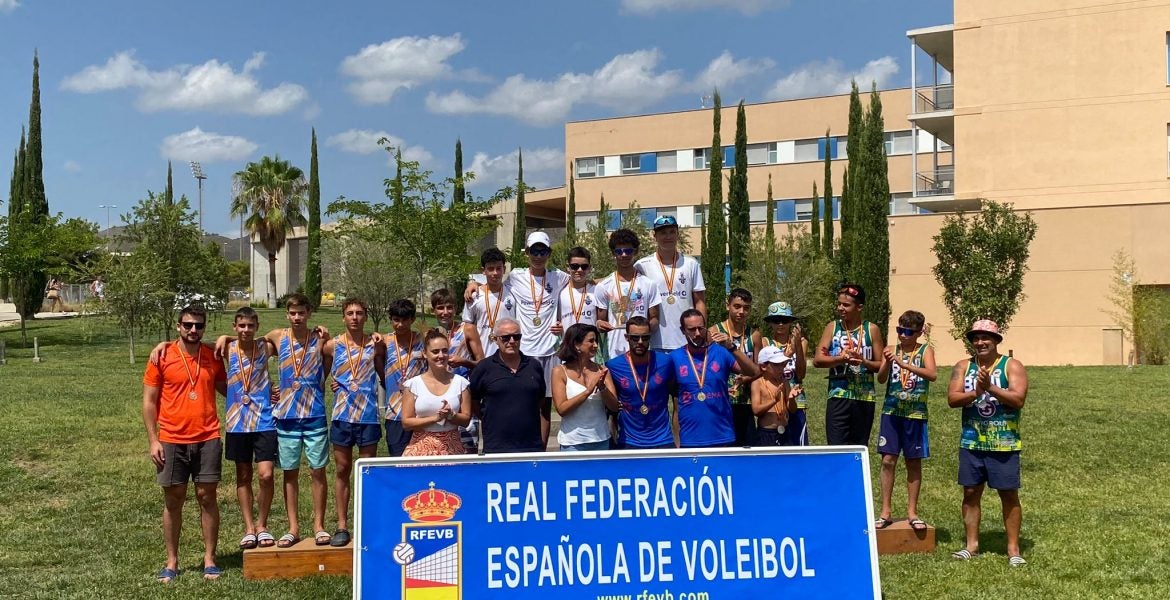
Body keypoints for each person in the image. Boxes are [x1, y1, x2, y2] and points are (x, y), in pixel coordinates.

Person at [142, 304, 227, 582]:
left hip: (207, 437)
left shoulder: (212, 356)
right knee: (173, 499)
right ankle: (172, 562)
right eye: (188, 325)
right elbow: (149, 401)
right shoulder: (162, 355)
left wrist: (261, 394)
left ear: (204, 328)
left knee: (207, 497)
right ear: (178, 326)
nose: (193, 330)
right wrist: (153, 440)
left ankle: (210, 559)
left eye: (199, 326)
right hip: (171, 439)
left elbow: (229, 389)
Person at [465, 232, 568, 447]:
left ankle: (538, 452)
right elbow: (491, 278)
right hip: (519, 352)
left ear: (549, 253)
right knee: (504, 402)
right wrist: (472, 282)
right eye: (534, 251)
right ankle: (498, 447)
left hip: (548, 350)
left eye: (543, 251)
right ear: (526, 253)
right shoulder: (515, 277)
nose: (538, 256)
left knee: (543, 406)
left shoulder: (558, 277)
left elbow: (584, 279)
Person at [947, 319, 1029, 567]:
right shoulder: (963, 366)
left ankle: (1013, 549)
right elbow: (952, 399)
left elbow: (1018, 399)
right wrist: (976, 392)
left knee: (1008, 494)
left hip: (1004, 442)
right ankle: (971, 546)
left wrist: (990, 387)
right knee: (970, 493)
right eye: (976, 338)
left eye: (986, 338)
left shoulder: (1011, 365)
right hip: (971, 442)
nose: (980, 342)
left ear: (996, 341)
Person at [324, 299, 385, 548]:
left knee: (367, 471)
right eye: (350, 313)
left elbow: (384, 373)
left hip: (368, 416)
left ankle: (368, 524)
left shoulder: (376, 344)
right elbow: (319, 373)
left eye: (359, 313)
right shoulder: (332, 346)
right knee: (342, 469)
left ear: (366, 317)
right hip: (342, 416)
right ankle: (341, 525)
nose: (355, 317)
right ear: (343, 317)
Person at [875, 310, 937, 532]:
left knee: (913, 462)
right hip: (891, 412)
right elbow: (881, 379)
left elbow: (932, 375)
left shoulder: (924, 350)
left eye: (908, 332)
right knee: (887, 461)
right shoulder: (891, 349)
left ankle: (912, 512)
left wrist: (904, 365)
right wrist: (886, 362)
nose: (902, 335)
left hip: (915, 414)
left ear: (919, 333)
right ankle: (885, 511)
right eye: (900, 330)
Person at [223, 307, 278, 551]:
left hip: (264, 419)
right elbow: (196, 344)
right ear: (235, 327)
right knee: (243, 474)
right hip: (237, 422)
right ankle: (248, 528)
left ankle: (262, 524)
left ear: (257, 327)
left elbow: (290, 339)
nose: (246, 330)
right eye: (242, 326)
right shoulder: (227, 349)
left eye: (250, 326)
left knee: (266, 474)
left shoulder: (265, 348)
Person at [671, 309, 760, 448]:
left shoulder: (721, 352)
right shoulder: (674, 358)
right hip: (690, 439)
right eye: (692, 329)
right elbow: (675, 405)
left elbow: (753, 371)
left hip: (722, 436)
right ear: (683, 331)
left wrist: (732, 347)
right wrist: (677, 443)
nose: (697, 333)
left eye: (700, 328)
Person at [813, 284, 884, 446]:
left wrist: (864, 361)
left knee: (859, 447)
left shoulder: (871, 329)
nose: (840, 308)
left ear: (859, 307)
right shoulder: (833, 327)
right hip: (838, 395)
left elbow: (881, 365)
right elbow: (818, 360)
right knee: (836, 447)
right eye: (839, 304)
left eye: (846, 305)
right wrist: (841, 359)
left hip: (864, 397)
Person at [469, 318, 549, 453]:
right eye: (505, 337)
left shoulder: (534, 366)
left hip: (531, 446)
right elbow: (474, 402)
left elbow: (540, 400)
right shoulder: (484, 368)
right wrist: (490, 418)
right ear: (496, 339)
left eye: (516, 337)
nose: (512, 341)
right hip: (496, 446)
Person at [602, 317, 676, 449]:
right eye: (635, 338)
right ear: (627, 337)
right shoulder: (613, 366)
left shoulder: (666, 362)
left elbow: (676, 397)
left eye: (645, 337)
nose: (640, 342)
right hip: (629, 441)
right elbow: (611, 408)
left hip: (663, 440)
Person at [635, 216, 705, 352]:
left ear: (677, 234)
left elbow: (700, 301)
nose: (668, 237)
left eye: (672, 232)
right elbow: (623, 279)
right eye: (663, 233)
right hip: (655, 342)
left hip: (686, 341)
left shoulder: (691, 264)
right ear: (655, 236)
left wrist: (701, 332)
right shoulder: (642, 265)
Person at [401, 329, 475, 456]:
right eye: (435, 352)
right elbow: (406, 423)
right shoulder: (412, 385)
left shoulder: (461, 383)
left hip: (452, 448)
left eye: (444, 351)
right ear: (425, 354)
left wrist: (451, 415)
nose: (441, 356)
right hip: (420, 449)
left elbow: (466, 420)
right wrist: (435, 418)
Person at [595, 228, 661, 360]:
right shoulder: (603, 286)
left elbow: (654, 319)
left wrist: (642, 331)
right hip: (614, 353)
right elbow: (601, 321)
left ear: (636, 251)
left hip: (641, 351)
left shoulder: (649, 284)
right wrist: (600, 325)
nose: (624, 255)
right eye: (619, 251)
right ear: (613, 253)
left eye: (628, 251)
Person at [432, 288, 484, 453]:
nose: (445, 312)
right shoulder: (430, 333)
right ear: (433, 310)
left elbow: (482, 363)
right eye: (440, 308)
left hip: (463, 399)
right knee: (442, 448)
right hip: (439, 397)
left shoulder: (467, 329)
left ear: (456, 309)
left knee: (468, 449)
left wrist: (464, 362)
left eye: (449, 307)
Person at [711, 288, 762, 446]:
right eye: (737, 306)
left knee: (746, 448)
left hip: (745, 401)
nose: (741, 312)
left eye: (746, 308)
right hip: (720, 400)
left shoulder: (754, 335)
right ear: (728, 305)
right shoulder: (714, 332)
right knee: (722, 447)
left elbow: (760, 369)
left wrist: (745, 378)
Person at [551, 324, 611, 451]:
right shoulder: (559, 371)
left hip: (601, 440)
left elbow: (614, 406)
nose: (595, 345)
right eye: (591, 341)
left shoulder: (602, 370)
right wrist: (588, 391)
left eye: (596, 341)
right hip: (572, 443)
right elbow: (561, 409)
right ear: (576, 345)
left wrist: (602, 388)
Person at [761, 301, 809, 445]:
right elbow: (766, 372)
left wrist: (798, 346)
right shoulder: (765, 342)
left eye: (785, 320)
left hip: (796, 398)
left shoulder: (802, 341)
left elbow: (801, 374)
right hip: (775, 398)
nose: (781, 324)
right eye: (776, 320)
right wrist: (787, 355)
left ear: (791, 322)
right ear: (770, 323)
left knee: (799, 445)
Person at [384, 298, 427, 457]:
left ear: (412, 319)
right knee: (398, 459)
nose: (400, 325)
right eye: (396, 320)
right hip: (395, 413)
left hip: (421, 412)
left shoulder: (423, 341)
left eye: (405, 320)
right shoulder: (384, 341)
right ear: (391, 319)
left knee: (423, 459)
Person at [462, 247, 516, 358]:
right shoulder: (474, 296)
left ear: (504, 269)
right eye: (490, 269)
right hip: (482, 356)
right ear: (483, 270)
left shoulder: (513, 293)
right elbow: (468, 328)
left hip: (508, 357)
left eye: (498, 268)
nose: (495, 273)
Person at [751, 346, 801, 446]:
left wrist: (791, 399)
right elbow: (756, 410)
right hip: (767, 433)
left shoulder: (784, 382)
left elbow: (792, 410)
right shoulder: (757, 383)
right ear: (764, 366)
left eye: (782, 364)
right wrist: (774, 400)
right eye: (777, 365)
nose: (781, 368)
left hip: (785, 431)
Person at [555, 247, 599, 331]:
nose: (579, 270)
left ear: (589, 268)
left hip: (590, 339)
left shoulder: (597, 291)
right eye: (574, 266)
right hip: (567, 339)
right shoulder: (559, 292)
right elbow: (555, 319)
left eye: (584, 266)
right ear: (568, 267)